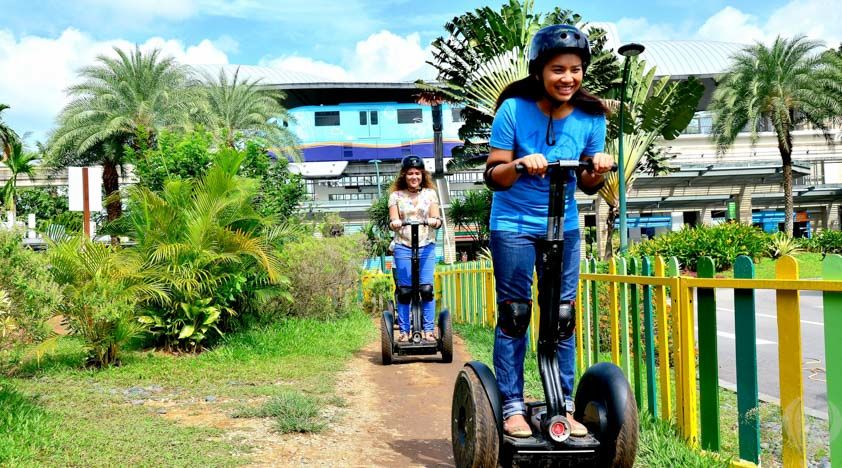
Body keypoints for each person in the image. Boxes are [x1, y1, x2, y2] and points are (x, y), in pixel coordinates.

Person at [483, 24, 615, 438]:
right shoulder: (513, 110)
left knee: (562, 317)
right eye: (558, 69)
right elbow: (494, 175)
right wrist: (522, 164)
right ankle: (511, 406)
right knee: (516, 314)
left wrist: (598, 167)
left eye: (575, 69)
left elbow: (589, 184)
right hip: (513, 225)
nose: (568, 78)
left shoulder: (592, 117)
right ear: (540, 69)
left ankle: (564, 406)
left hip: (566, 225)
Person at [388, 155, 442, 342]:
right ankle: (404, 331)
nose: (414, 177)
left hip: (426, 245)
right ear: (404, 175)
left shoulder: (430, 194)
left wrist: (434, 221)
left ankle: (428, 330)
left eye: (417, 173)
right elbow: (393, 218)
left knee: (426, 289)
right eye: (410, 173)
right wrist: (395, 222)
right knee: (405, 291)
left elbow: (436, 217)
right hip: (403, 245)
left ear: (422, 174)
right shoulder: (395, 196)